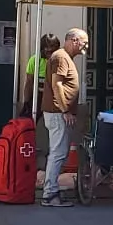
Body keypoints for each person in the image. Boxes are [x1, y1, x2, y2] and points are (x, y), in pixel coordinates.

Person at [39, 27, 88, 207]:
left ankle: (50, 192)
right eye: (84, 42)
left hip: (58, 113)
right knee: (58, 153)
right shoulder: (60, 57)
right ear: (74, 40)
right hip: (58, 114)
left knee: (59, 152)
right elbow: (57, 84)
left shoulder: (63, 57)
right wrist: (65, 110)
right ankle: (50, 194)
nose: (86, 47)